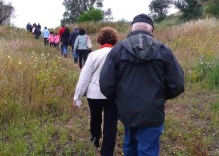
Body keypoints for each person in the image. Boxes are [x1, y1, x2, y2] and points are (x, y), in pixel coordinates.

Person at [99, 14, 185, 156]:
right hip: (153, 112)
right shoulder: (164, 50)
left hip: (127, 110)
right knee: (148, 150)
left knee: (130, 145)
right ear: (151, 29)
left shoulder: (118, 50)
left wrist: (120, 99)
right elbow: (177, 84)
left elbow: (106, 84)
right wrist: (159, 97)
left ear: (132, 28)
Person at [73, 27, 119, 156]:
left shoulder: (93, 55)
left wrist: (77, 97)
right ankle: (107, 151)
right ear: (115, 39)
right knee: (111, 122)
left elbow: (84, 77)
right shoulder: (119, 54)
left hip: (94, 94)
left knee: (95, 117)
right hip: (113, 94)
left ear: (99, 39)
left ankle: (95, 140)